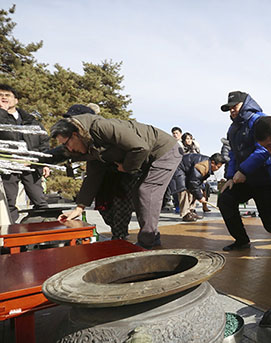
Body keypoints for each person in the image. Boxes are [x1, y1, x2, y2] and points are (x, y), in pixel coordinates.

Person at [50, 114, 182, 249]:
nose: (69, 149)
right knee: (138, 193)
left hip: (166, 151)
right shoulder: (91, 145)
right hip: (151, 156)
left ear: (75, 134)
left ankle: (147, 241)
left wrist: (126, 167)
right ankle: (151, 237)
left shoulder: (100, 127)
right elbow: (92, 177)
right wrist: (80, 207)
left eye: (67, 143)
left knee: (147, 192)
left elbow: (140, 147)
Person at [217, 91, 271, 251]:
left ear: (245, 103)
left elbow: (265, 150)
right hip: (244, 180)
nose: (232, 111)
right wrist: (230, 176)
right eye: (228, 109)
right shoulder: (232, 129)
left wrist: (244, 170)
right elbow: (233, 154)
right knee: (225, 199)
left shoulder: (260, 121)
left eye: (234, 107)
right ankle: (241, 240)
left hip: (264, 180)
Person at [0, 84, 49, 223]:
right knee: (8, 203)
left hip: (31, 166)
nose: (3, 98)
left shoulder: (30, 120)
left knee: (40, 200)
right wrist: (2, 111)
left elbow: (43, 142)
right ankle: (11, 238)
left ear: (16, 100)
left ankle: (45, 233)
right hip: (8, 168)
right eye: (0, 96)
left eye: (7, 95)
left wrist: (44, 163)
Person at [168, 153, 225, 221]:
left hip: (188, 173)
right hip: (179, 170)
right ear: (213, 163)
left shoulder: (207, 164)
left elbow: (197, 183)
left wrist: (199, 194)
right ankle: (186, 214)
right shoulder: (203, 166)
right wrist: (200, 197)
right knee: (184, 191)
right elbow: (193, 183)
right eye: (218, 167)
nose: (218, 169)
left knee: (196, 191)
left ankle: (191, 211)